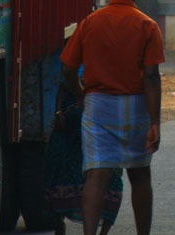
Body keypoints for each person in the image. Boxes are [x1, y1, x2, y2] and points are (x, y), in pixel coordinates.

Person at [60, 0, 164, 235]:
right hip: (137, 108)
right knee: (140, 176)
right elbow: (152, 77)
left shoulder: (90, 23)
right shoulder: (147, 25)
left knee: (96, 175)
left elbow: (68, 69)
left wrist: (81, 94)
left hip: (98, 106)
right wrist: (155, 122)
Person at [44, 80, 123, 235]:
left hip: (101, 119)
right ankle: (58, 222)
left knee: (110, 177)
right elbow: (65, 80)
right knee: (58, 170)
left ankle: (102, 231)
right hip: (71, 124)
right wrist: (59, 112)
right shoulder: (78, 60)